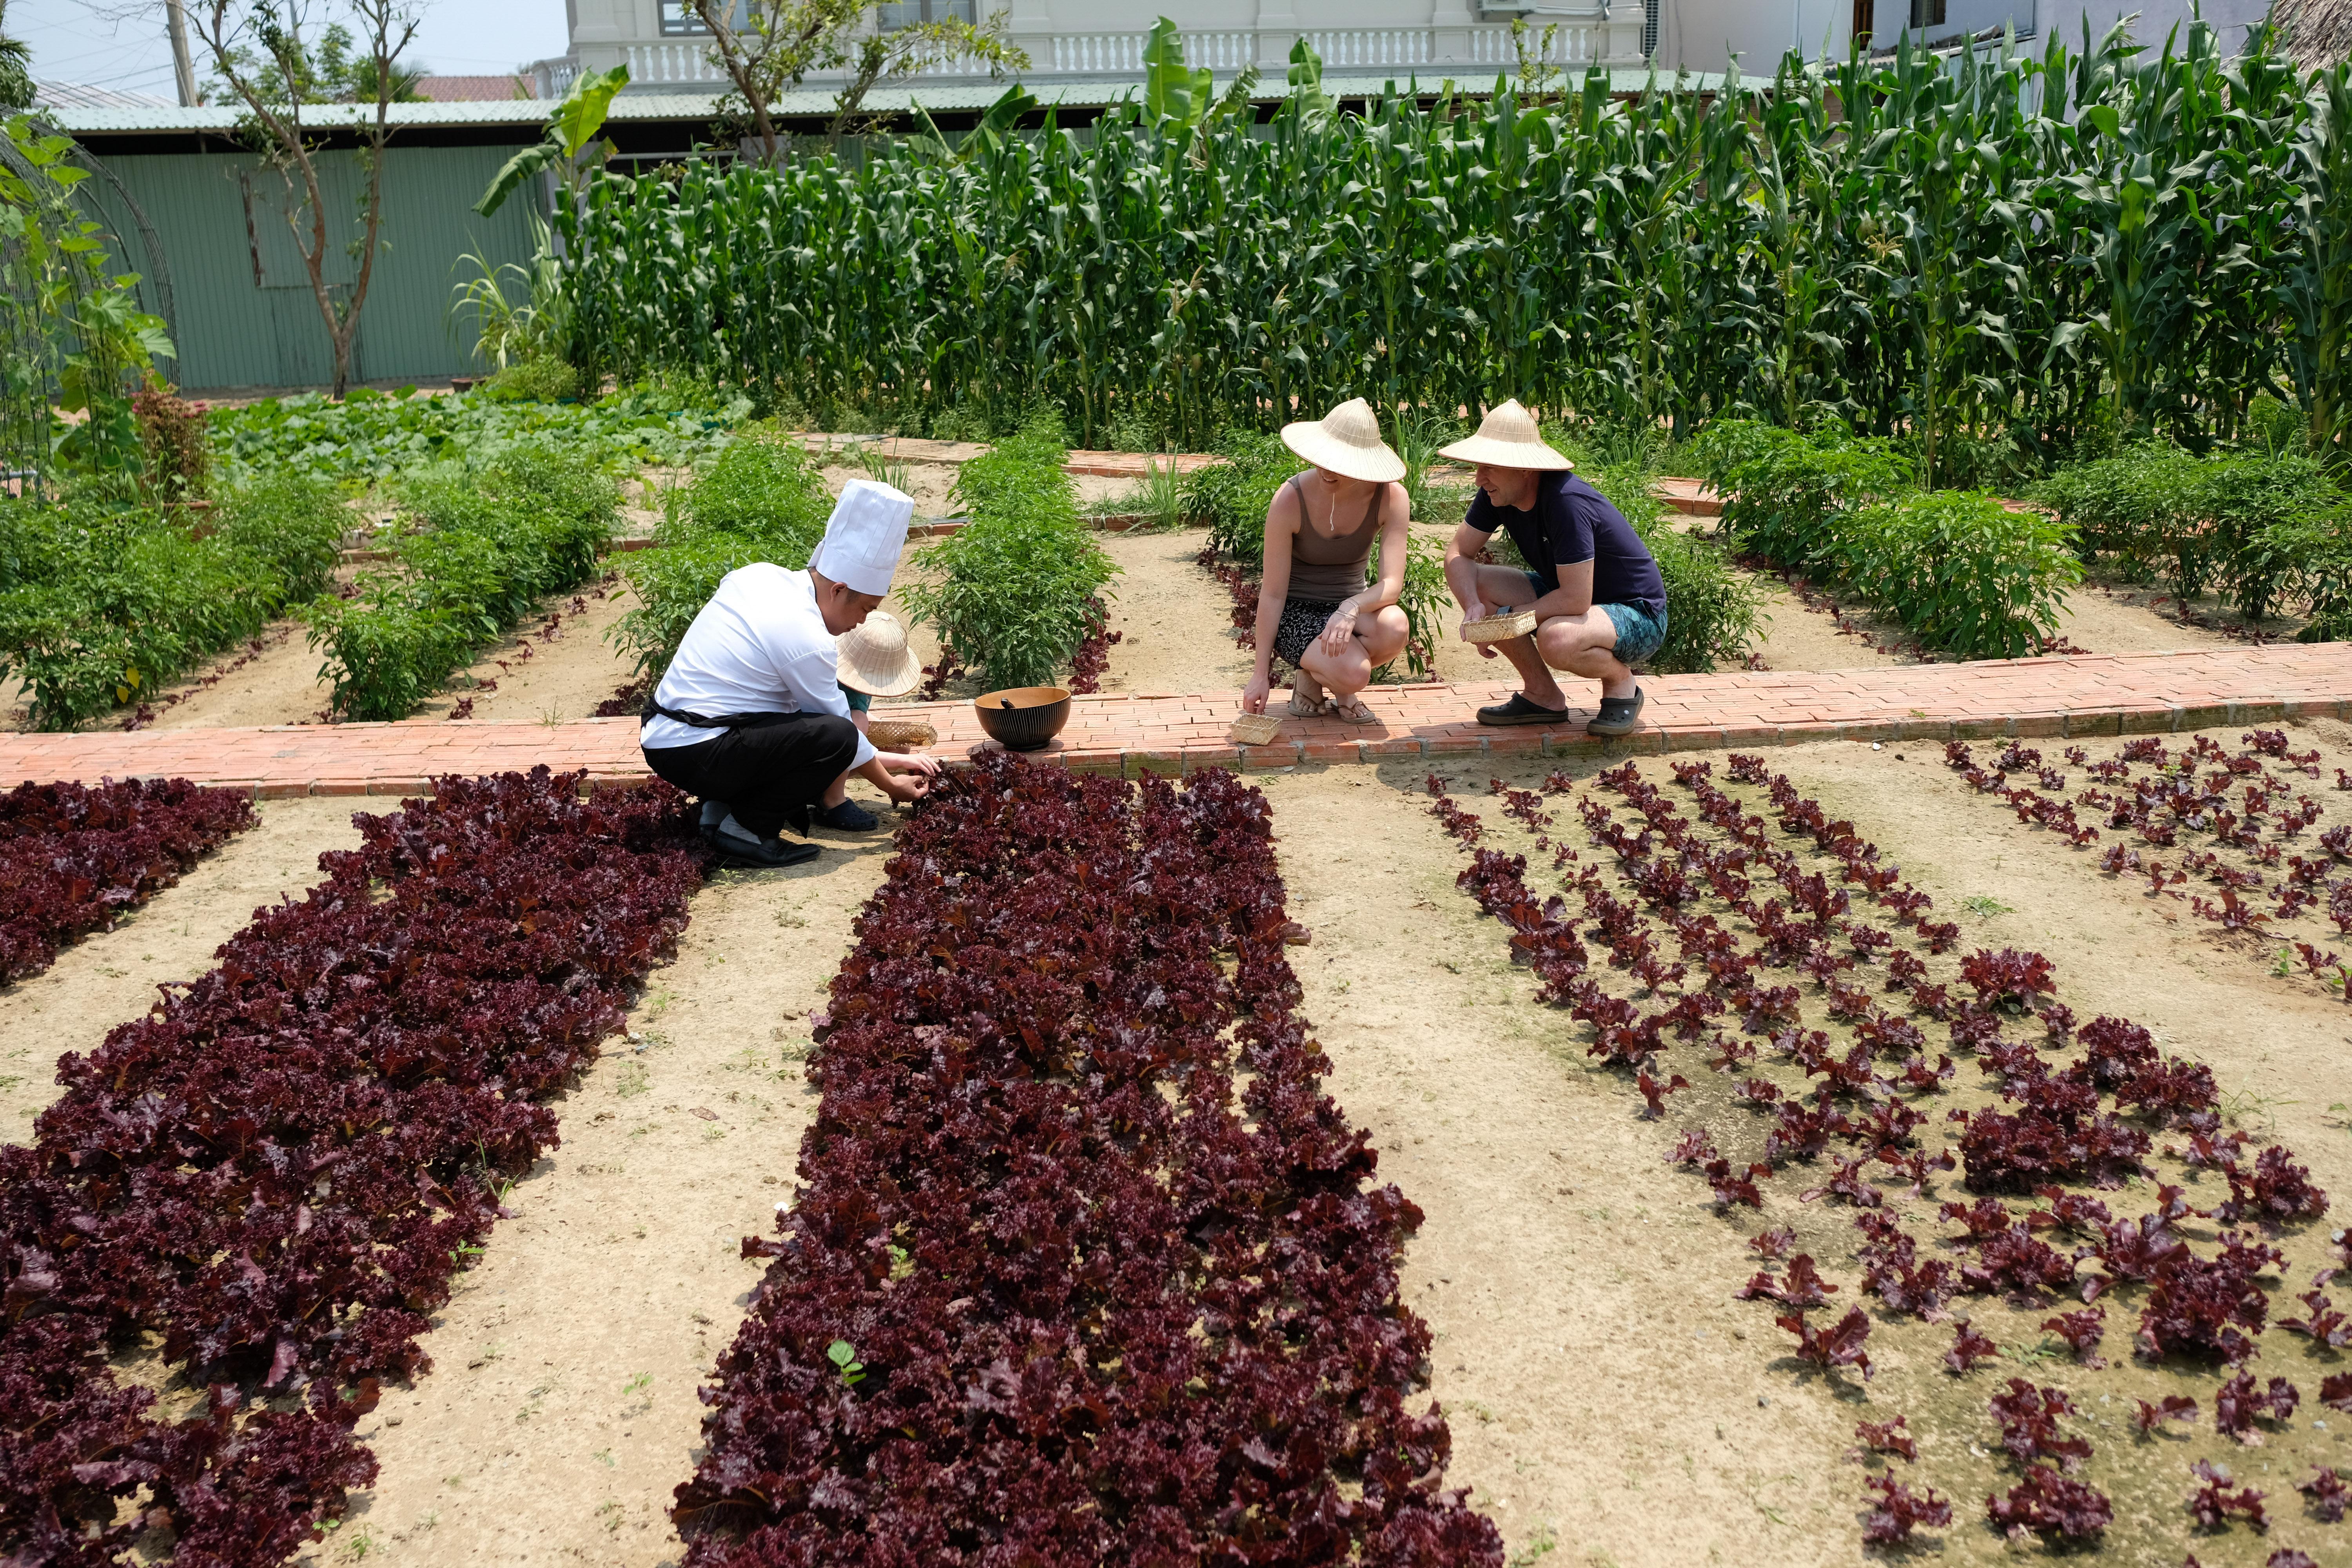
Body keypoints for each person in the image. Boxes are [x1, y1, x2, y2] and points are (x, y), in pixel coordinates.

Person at [640, 478, 941, 867]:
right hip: (696, 749)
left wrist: (892, 762)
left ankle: (719, 809)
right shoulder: (807, 637)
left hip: (667, 735)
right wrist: (891, 783)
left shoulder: (760, 576)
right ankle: (746, 829)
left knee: (801, 726)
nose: (863, 620)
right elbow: (841, 736)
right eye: (865, 608)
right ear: (838, 590)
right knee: (833, 735)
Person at [1438, 400, 1667, 738]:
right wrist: (1474, 604)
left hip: (1638, 614)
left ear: (1524, 468)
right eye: (1478, 466)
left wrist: (1509, 620)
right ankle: (1542, 696)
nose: (1478, 478)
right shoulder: (1496, 494)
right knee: (1481, 585)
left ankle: (1622, 684)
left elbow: (1575, 600)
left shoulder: (1566, 502)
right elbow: (1458, 552)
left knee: (1557, 638)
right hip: (1579, 603)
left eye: (1489, 467)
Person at [1239, 397, 1413, 726]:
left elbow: (1392, 585)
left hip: (1350, 608)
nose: (1327, 470)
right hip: (1297, 612)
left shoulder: (1391, 497)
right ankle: (1325, 678)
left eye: (1340, 462)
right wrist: (1260, 674)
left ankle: (1321, 677)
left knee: (1395, 626)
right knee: (1355, 674)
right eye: (1324, 458)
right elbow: (1274, 593)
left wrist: (1351, 606)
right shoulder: (1290, 499)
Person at [824, 608, 924, 833]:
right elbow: (854, 743)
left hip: (831, 741)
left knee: (898, 744)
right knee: (858, 725)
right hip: (822, 749)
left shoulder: (851, 681)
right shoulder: (829, 682)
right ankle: (832, 800)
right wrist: (909, 764)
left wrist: (889, 733)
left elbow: (855, 711)